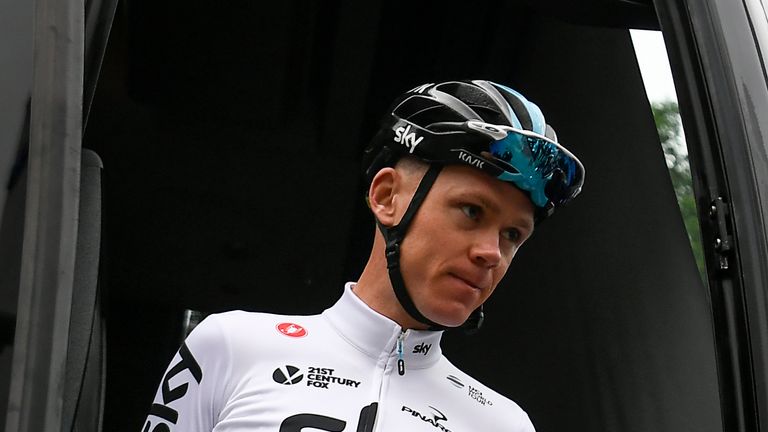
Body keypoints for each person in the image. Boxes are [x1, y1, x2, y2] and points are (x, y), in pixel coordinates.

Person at [141, 80, 585, 432]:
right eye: (471, 211)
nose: (491, 252)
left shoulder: (504, 426)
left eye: (512, 235)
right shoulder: (230, 344)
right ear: (387, 196)